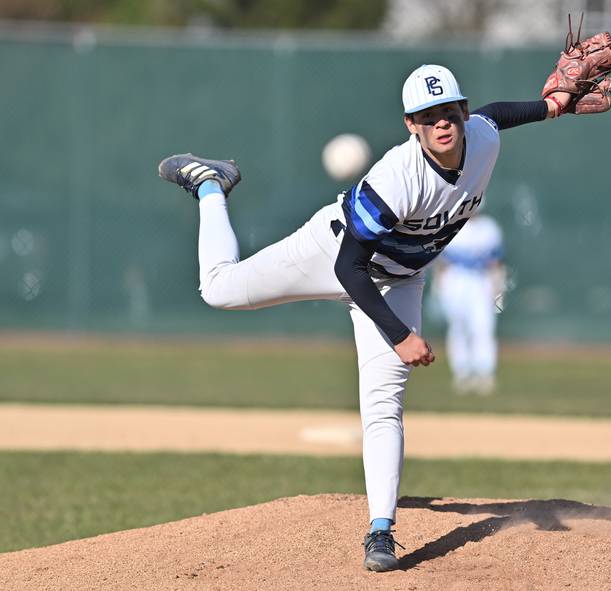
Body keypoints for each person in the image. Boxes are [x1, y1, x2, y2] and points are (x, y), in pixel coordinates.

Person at [159, 64, 575, 572]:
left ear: (461, 113)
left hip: (399, 280)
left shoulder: (481, 139)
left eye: (449, 112)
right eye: (428, 116)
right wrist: (399, 335)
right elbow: (347, 267)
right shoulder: (397, 180)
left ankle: (381, 531)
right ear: (411, 124)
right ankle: (210, 185)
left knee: (384, 403)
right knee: (219, 290)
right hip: (331, 251)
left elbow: (497, 115)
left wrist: (554, 105)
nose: (442, 124)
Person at [434, 213, 505, 395]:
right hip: (456, 280)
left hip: (481, 279)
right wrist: (439, 288)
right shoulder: (450, 225)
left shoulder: (489, 227)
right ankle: (462, 373)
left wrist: (498, 292)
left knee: (483, 326)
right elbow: (441, 262)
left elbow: (496, 263)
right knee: (458, 326)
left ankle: (485, 373)